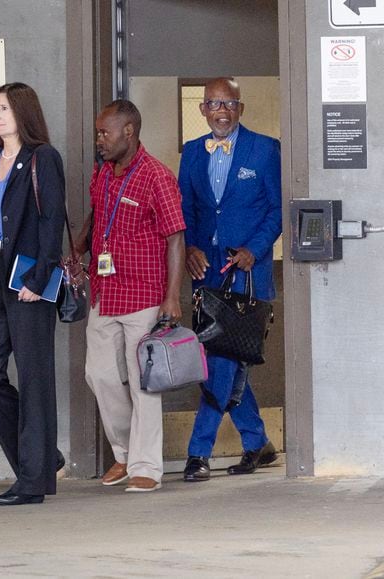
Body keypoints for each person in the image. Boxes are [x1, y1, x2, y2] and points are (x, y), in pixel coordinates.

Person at [0, 83, 66, 506]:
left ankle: (32, 480)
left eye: (4, 108)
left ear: (23, 112)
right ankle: (40, 459)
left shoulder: (43, 158)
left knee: (35, 377)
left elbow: (51, 221)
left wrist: (38, 279)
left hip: (28, 277)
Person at [179, 77, 281, 482]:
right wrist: (189, 247)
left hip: (247, 271)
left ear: (240, 108)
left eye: (229, 103)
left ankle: (198, 451)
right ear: (202, 109)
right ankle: (257, 442)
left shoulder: (265, 148)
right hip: (206, 269)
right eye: (213, 104)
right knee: (227, 359)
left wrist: (253, 249)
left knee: (222, 360)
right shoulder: (190, 152)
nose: (221, 111)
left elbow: (276, 210)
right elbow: (184, 207)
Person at [84, 100, 186, 493]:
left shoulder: (156, 176)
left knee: (145, 383)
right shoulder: (103, 172)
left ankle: (147, 465)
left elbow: (175, 237)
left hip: (144, 293)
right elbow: (96, 215)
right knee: (99, 374)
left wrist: (172, 297)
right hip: (105, 291)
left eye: (104, 133)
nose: (99, 140)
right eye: (97, 133)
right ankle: (125, 453)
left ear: (128, 132)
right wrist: (80, 249)